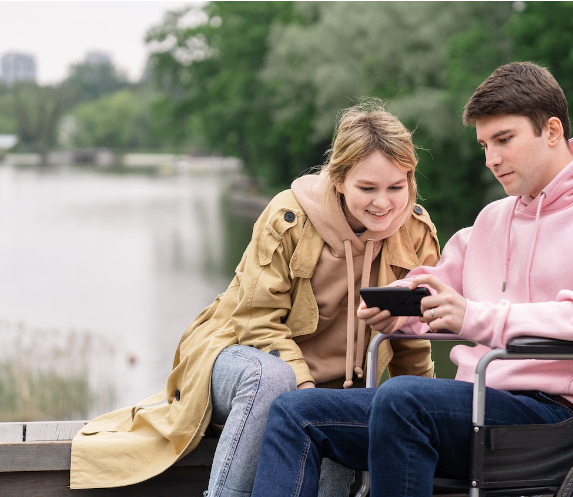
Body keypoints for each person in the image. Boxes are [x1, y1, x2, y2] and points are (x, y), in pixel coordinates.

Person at [249, 61, 573, 497]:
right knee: (295, 412)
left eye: (504, 140)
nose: (492, 159)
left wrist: (478, 318)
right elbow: (438, 287)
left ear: (551, 130)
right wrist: (400, 308)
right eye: (484, 144)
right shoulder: (494, 219)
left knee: (405, 399)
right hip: (482, 407)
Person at [69, 100, 441, 497]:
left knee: (332, 424)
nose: (383, 203)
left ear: (410, 180)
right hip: (241, 357)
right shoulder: (289, 215)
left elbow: (412, 338)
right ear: (338, 179)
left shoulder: (416, 232)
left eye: (395, 188)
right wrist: (306, 394)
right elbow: (257, 321)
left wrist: (428, 415)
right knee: (273, 379)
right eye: (367, 188)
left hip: (332, 393)